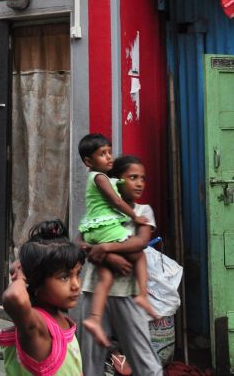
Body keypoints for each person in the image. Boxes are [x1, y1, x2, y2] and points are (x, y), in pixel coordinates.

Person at [74, 156, 163, 376]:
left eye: (142, 178)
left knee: (144, 357)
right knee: (90, 358)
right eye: (133, 177)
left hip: (128, 293)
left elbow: (140, 242)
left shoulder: (143, 212)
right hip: (95, 291)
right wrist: (109, 257)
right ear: (116, 181)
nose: (140, 183)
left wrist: (104, 248)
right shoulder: (100, 210)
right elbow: (80, 242)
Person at [0, 219, 84, 376]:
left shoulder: (61, 319)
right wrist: (21, 275)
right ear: (37, 282)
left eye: (77, 274)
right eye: (64, 277)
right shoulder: (38, 328)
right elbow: (14, 296)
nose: (76, 285)